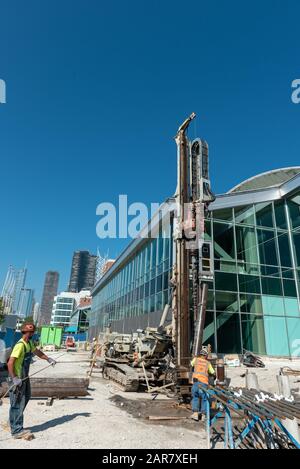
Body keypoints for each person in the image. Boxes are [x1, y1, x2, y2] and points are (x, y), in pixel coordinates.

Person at [7, 322, 57, 439]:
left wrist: (48, 358)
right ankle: (16, 430)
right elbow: (10, 363)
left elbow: (37, 352)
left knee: (26, 396)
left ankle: (13, 420)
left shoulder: (28, 343)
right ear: (27, 332)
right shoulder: (20, 345)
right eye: (31, 332)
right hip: (17, 378)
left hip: (24, 377)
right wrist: (14, 378)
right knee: (17, 403)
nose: (32, 334)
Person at [190, 348, 215, 421]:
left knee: (195, 397)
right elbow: (213, 372)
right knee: (204, 399)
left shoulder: (196, 360)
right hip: (204, 383)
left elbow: (191, 364)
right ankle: (203, 415)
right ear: (206, 355)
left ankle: (195, 414)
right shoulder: (208, 363)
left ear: (200, 354)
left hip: (196, 383)